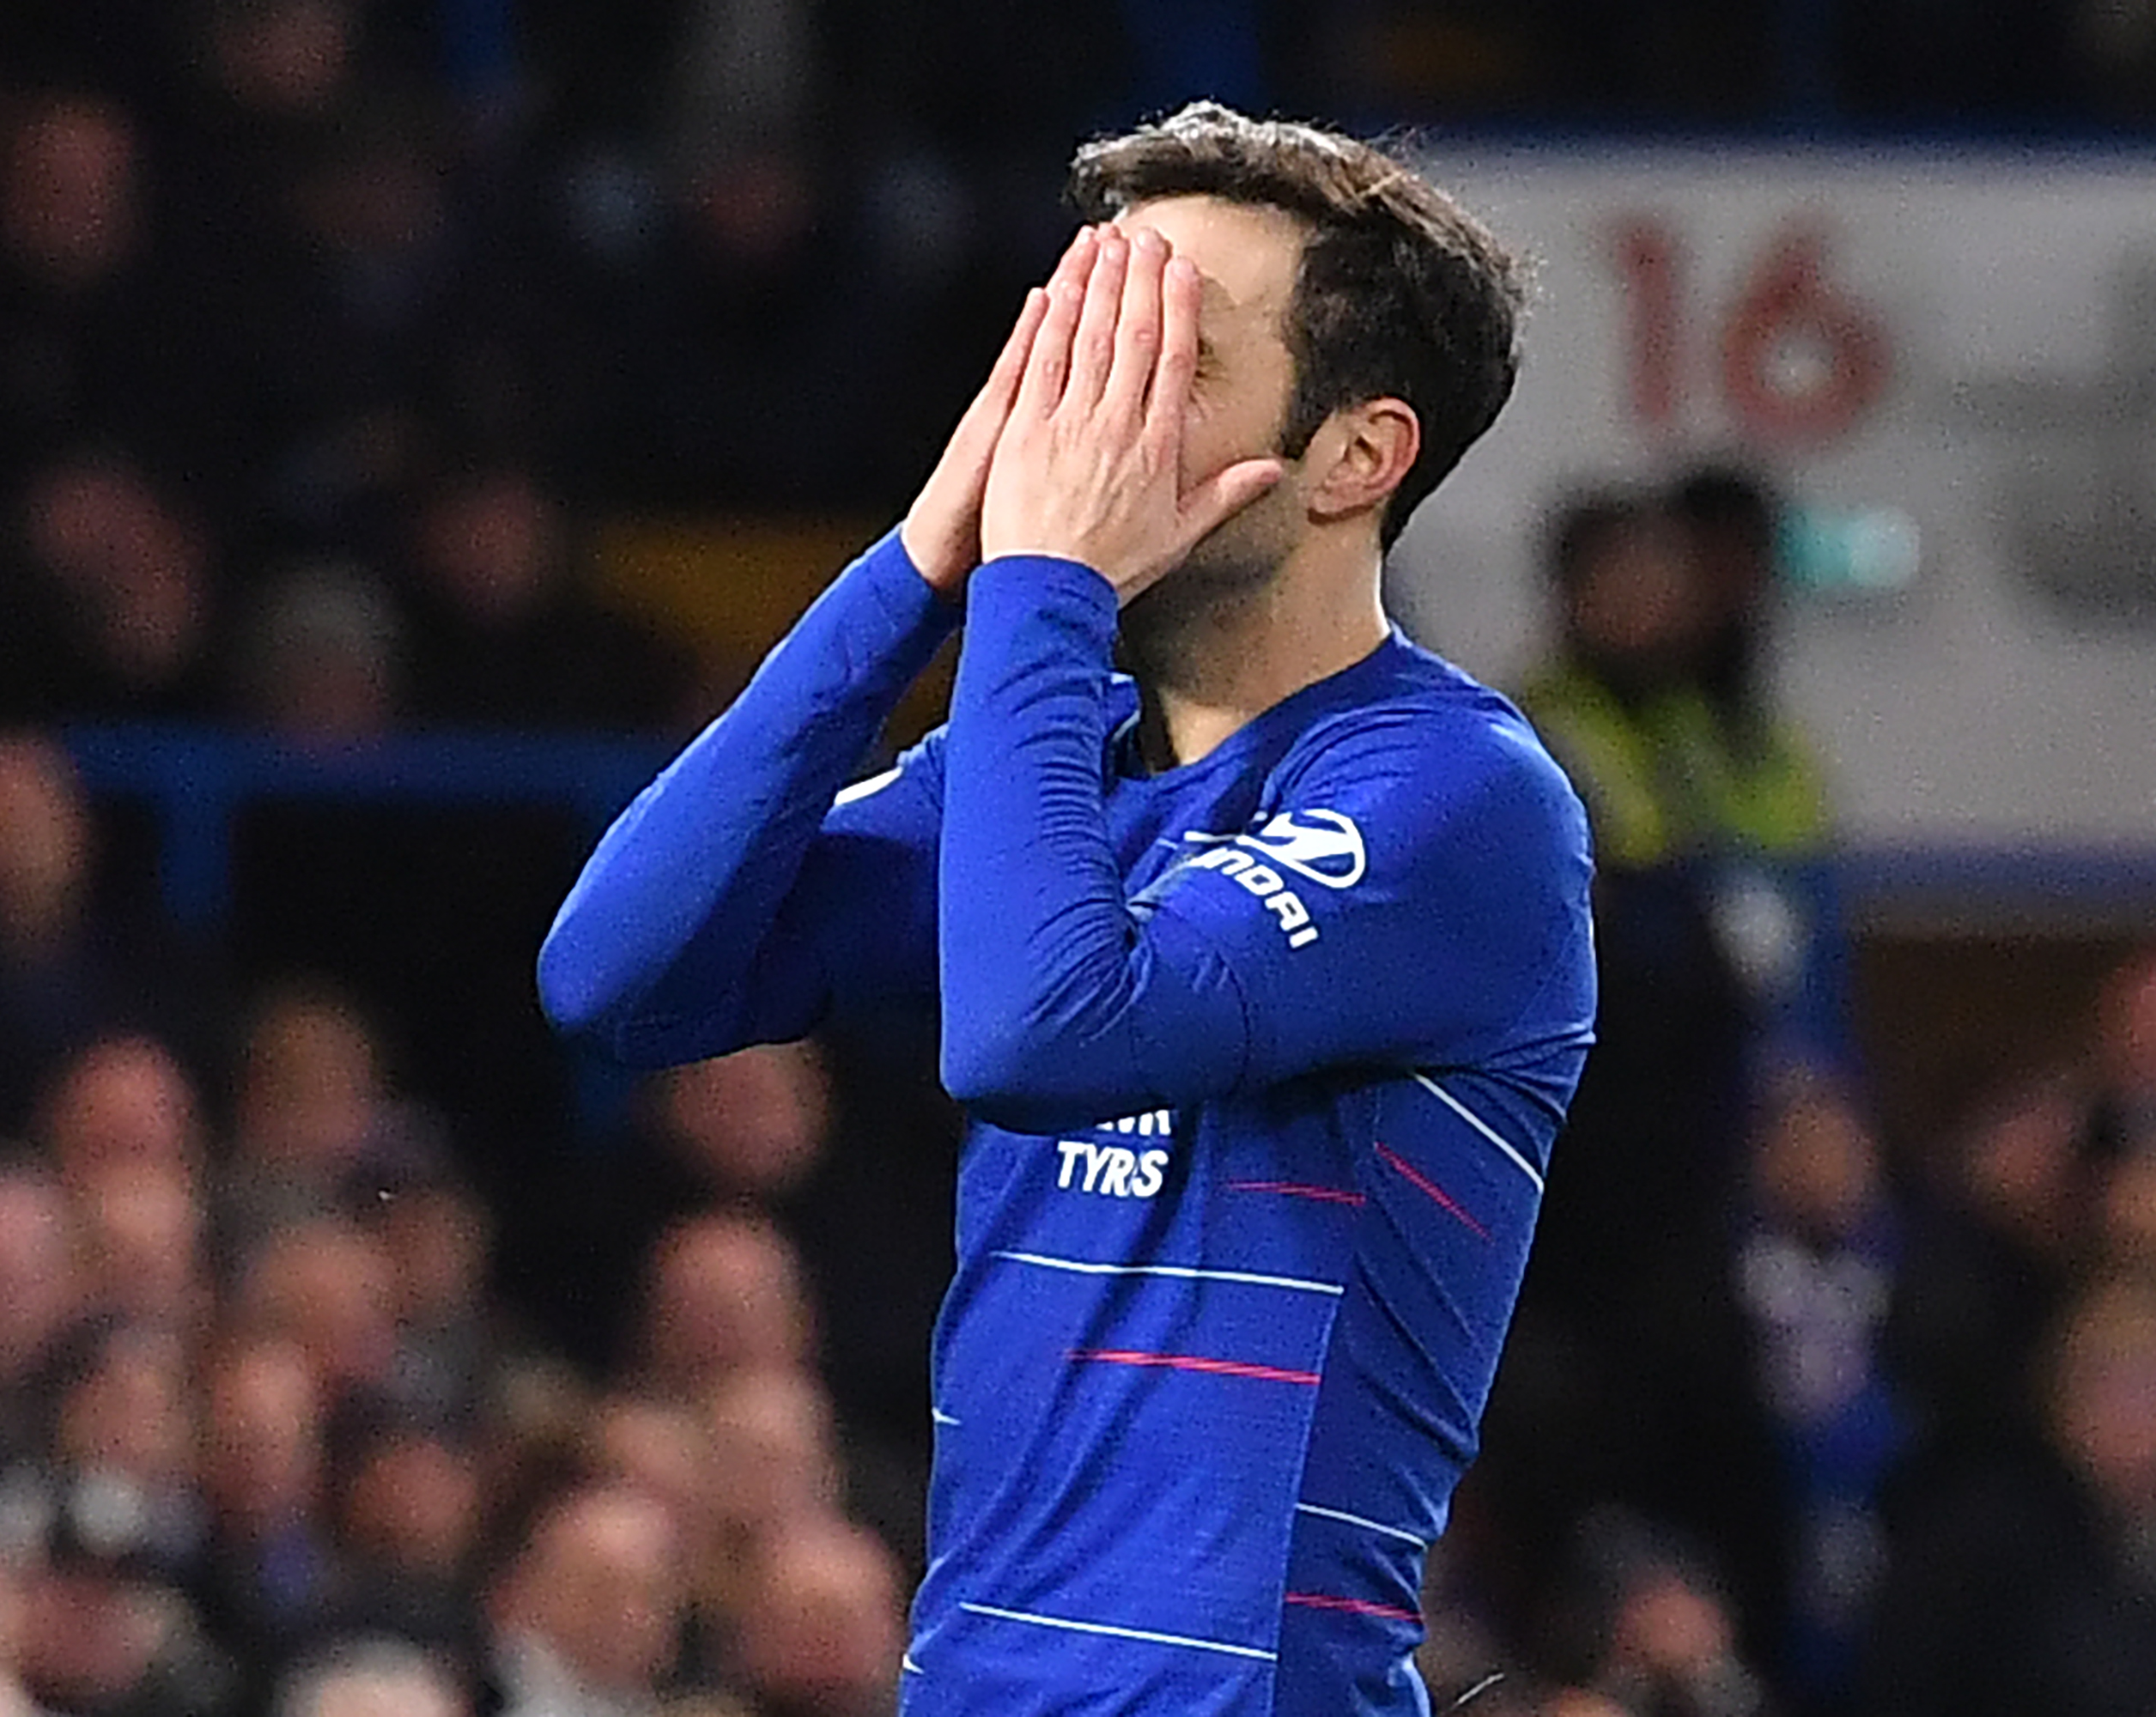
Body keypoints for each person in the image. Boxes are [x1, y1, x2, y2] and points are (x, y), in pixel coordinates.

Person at [539, 101, 1594, 1716]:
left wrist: (1042, 586)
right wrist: (917, 563)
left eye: (1167, 357)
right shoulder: (1050, 764)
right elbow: (615, 977)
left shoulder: (1459, 800)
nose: (1081, 421)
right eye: (1081, 340)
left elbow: (1040, 1033)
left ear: (1356, 456)